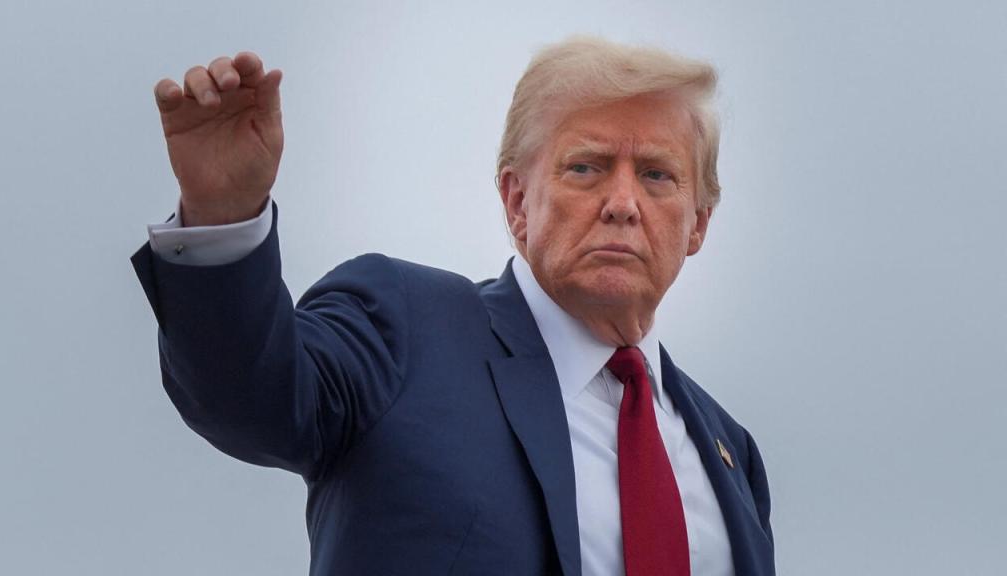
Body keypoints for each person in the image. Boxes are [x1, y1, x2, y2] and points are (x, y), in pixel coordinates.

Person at [132, 37, 775, 576]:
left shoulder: (730, 453)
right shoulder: (405, 328)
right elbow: (248, 395)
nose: (622, 202)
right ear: (517, 202)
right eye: (587, 168)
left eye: (658, 175)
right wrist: (222, 215)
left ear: (698, 225)